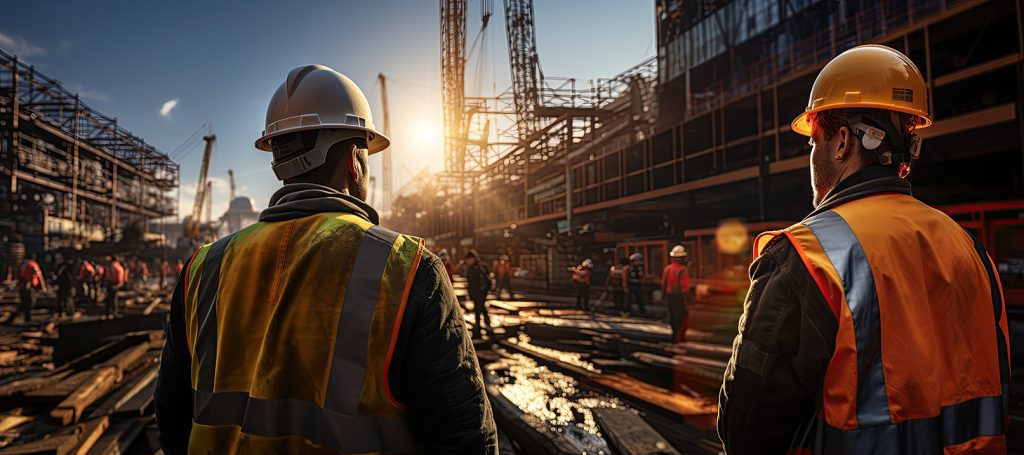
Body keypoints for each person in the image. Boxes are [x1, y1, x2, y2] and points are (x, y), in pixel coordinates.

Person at [155, 65, 496, 454]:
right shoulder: (408, 268)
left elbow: (171, 414)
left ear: (277, 160)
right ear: (355, 160)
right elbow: (467, 439)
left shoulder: (203, 267)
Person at [717, 45, 1011, 453]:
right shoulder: (968, 249)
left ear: (840, 142)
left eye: (813, 143)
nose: (813, 156)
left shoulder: (807, 254)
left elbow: (746, 429)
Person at [661, 245, 691, 343]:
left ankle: (673, 338)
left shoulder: (667, 269)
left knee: (673, 318)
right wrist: (688, 301)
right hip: (679, 299)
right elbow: (685, 288)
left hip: (670, 298)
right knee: (680, 320)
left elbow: (663, 285)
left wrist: (663, 298)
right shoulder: (683, 270)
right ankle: (679, 340)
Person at [464, 250, 494, 340]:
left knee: (478, 310)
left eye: (468, 260)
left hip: (478, 293)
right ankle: (486, 328)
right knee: (482, 309)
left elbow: (478, 282)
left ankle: (478, 330)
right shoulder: (480, 266)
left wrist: (479, 292)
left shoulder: (476, 268)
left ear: (472, 259)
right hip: (480, 293)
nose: (467, 262)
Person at [17, 255, 45, 323]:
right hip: (29, 287)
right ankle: (27, 318)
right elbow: (39, 276)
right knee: (30, 303)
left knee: (26, 303)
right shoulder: (32, 265)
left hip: (25, 286)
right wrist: (43, 287)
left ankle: (24, 318)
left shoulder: (24, 265)